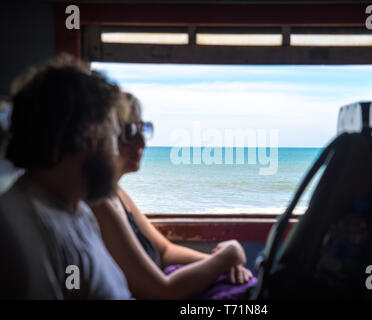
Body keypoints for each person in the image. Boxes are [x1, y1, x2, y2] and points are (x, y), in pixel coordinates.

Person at [90, 93, 257, 300]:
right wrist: (228, 255)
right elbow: (163, 292)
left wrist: (223, 265)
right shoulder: (98, 204)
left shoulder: (117, 194)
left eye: (143, 129)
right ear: (104, 136)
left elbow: (165, 252)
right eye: (129, 131)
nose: (141, 141)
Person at [0, 55, 132, 299]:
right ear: (91, 137)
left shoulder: (77, 210)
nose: (118, 153)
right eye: (114, 137)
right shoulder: (23, 234)